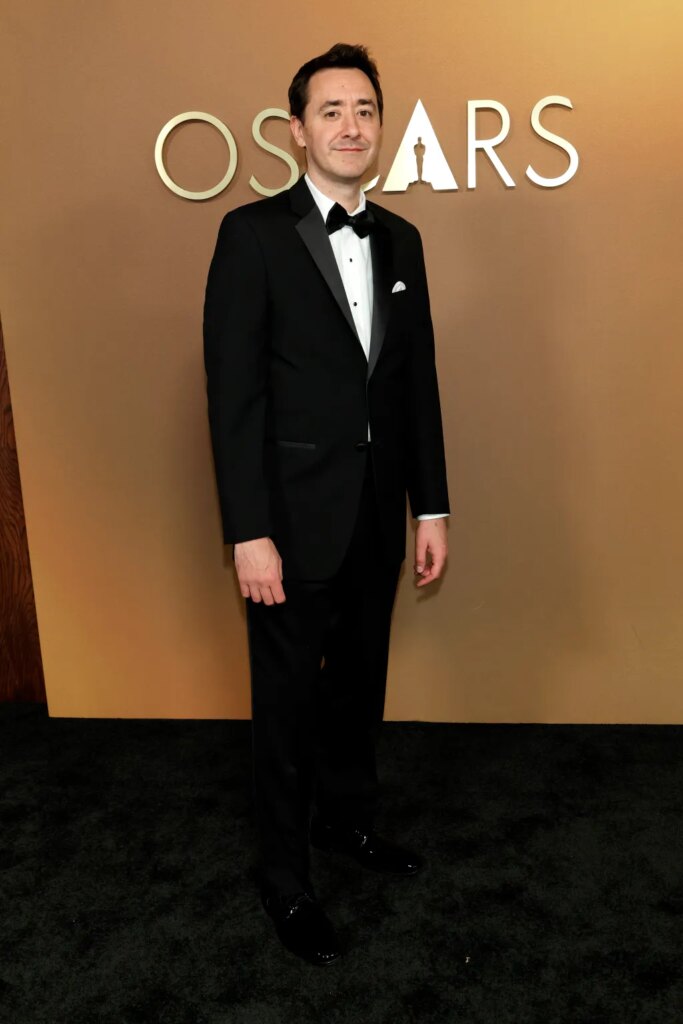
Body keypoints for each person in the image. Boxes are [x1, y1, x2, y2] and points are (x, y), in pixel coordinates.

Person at [203, 43, 449, 966]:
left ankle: (346, 822)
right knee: (284, 706)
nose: (351, 125)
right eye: (332, 110)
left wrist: (431, 508)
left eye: (365, 110)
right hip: (288, 522)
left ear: (379, 127)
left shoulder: (403, 240)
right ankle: (284, 878)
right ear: (297, 130)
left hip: (377, 515)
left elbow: (416, 384)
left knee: (356, 686)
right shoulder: (251, 235)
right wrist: (249, 531)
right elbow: (233, 398)